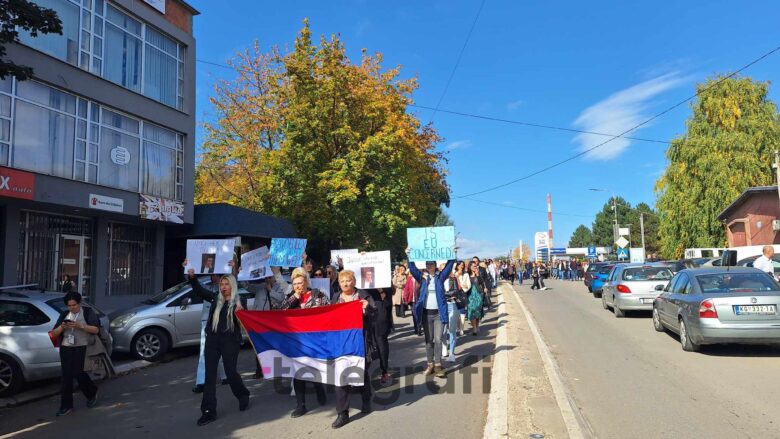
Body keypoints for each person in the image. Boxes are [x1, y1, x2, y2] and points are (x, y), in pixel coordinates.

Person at [187, 269, 249, 426]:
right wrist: (192, 277)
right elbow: (200, 291)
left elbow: (246, 323)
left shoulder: (239, 302)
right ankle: (208, 411)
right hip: (213, 340)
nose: (223, 287)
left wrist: (240, 312)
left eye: (227, 284)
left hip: (230, 341)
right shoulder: (216, 299)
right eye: (222, 284)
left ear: (232, 286)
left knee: (230, 372)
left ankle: (243, 395)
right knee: (210, 376)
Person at [280, 267, 330, 418]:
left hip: (314, 340)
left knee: (314, 369)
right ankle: (300, 405)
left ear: (306, 282)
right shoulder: (290, 297)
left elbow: (328, 312)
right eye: (295, 283)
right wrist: (295, 296)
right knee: (297, 372)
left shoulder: (318, 295)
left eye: (300, 283)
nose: (298, 286)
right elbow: (282, 312)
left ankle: (319, 388)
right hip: (296, 341)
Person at [330, 270, 377, 428]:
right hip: (341, 344)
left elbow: (375, 315)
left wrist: (367, 308)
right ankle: (343, 413)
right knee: (341, 377)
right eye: (342, 281)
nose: (345, 283)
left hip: (359, 343)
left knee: (360, 374)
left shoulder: (363, 296)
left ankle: (366, 400)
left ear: (354, 282)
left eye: (348, 280)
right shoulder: (336, 298)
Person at [407, 250, 455, 378]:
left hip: (439, 314)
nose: (429, 266)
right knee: (428, 340)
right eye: (427, 264)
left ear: (435, 264)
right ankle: (430, 364)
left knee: (438, 339)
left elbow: (450, 265)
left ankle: (438, 365)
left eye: (431, 264)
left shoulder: (440, 276)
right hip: (426, 314)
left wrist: (452, 253)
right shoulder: (422, 277)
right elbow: (412, 268)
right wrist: (408, 254)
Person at [50, 291, 100, 416]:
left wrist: (80, 325)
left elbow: (96, 329)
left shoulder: (88, 312)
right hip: (66, 346)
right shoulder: (64, 315)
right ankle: (66, 406)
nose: (72, 308)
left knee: (79, 372)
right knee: (66, 377)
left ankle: (91, 392)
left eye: (74, 305)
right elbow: (53, 334)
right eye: (69, 306)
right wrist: (62, 327)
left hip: (82, 346)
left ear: (79, 303)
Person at [467, 261, 485, 335]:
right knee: (472, 311)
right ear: (470, 267)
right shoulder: (467, 275)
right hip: (470, 295)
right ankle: (474, 327)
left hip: (478, 294)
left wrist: (477, 275)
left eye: (476, 266)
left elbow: (482, 282)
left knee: (478, 311)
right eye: (473, 266)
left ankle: (477, 325)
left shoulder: (478, 274)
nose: (475, 267)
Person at [403, 269, 421, 335]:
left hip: (419, 300)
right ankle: (416, 328)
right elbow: (406, 289)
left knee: (419, 314)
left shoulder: (420, 279)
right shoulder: (409, 279)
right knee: (414, 315)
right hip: (412, 300)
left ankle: (419, 327)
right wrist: (405, 298)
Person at [455, 261, 470, 336]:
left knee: (462, 312)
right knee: (456, 313)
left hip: (462, 294)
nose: (461, 266)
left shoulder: (466, 274)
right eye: (460, 265)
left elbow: (468, 285)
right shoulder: (454, 274)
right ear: (457, 266)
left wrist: (463, 288)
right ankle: (458, 327)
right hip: (454, 295)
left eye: (462, 265)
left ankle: (461, 329)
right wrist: (457, 276)